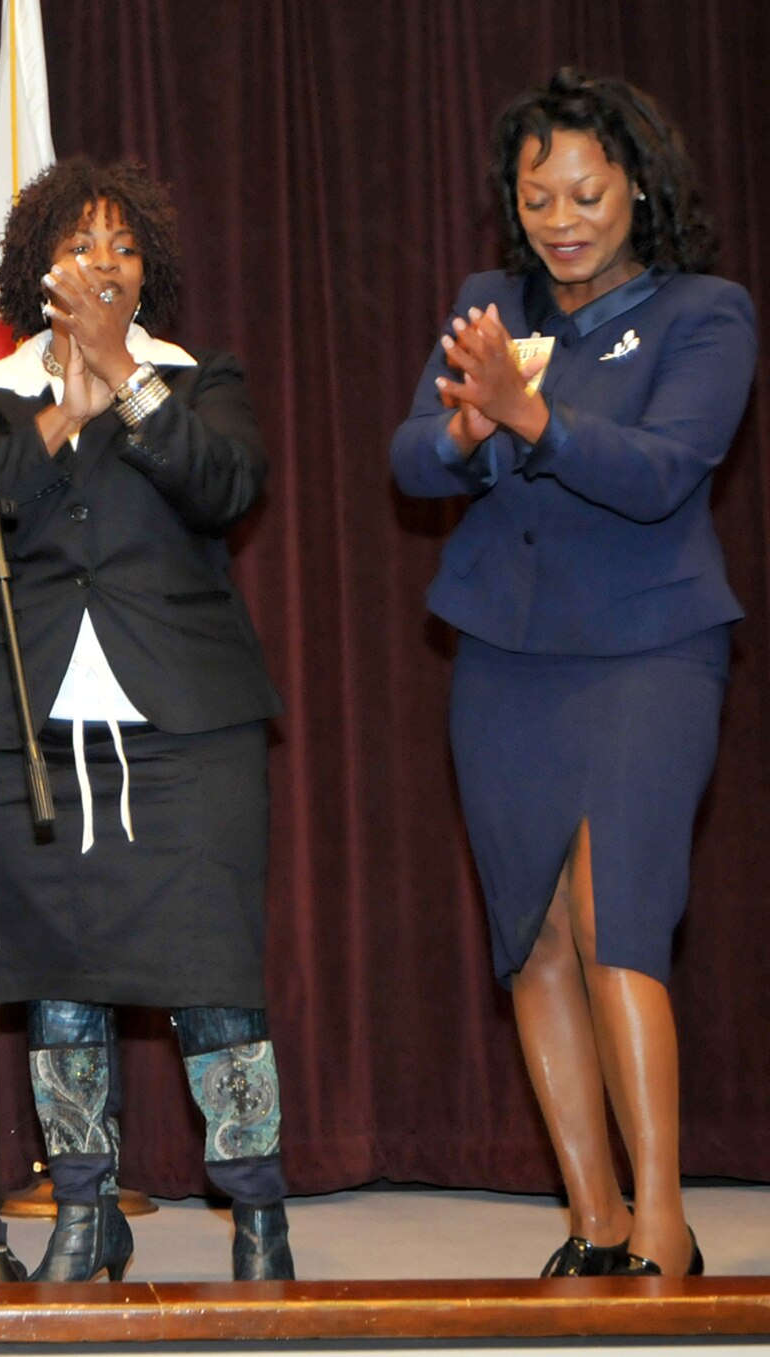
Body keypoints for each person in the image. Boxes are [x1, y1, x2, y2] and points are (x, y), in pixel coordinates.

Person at [390, 69, 753, 1279]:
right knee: (532, 930)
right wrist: (466, 428)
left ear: (634, 188)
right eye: (535, 191)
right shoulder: (487, 302)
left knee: (615, 923)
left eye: (584, 192)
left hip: (649, 649)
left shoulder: (707, 311)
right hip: (504, 656)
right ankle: (592, 1220)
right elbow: (411, 456)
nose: (559, 215)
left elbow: (661, 472)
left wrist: (529, 418)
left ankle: (663, 1222)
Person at [0, 157, 294, 1283]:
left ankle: (257, 1210)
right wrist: (49, 422)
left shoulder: (195, 377)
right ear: (36, 270)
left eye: (122, 246)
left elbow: (223, 485)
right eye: (78, 244)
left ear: (149, 273)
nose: (101, 262)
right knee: (58, 970)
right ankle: (85, 1209)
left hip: (187, 726)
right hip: (34, 722)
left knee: (211, 967)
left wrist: (124, 381)